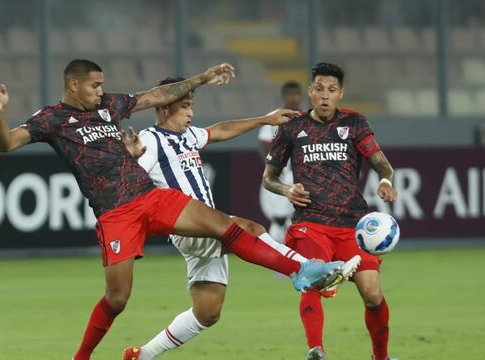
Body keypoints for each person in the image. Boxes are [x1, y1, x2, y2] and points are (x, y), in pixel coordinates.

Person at [0, 59, 351, 360]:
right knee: (117, 297)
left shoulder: (110, 106)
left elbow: (160, 96)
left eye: (102, 85)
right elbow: (6, 144)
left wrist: (205, 78)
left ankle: (300, 271)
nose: (101, 90)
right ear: (74, 85)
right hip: (116, 213)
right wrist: (0, 115)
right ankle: (81, 357)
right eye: (95, 85)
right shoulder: (52, 119)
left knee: (214, 284)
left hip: (150, 198)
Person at [121, 76, 361, 360]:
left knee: (207, 311)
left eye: (191, 106)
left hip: (208, 226)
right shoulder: (151, 139)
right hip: (187, 227)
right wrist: (130, 157)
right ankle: (304, 270)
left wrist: (264, 120)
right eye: (185, 106)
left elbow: (220, 130)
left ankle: (142, 355)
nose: (191, 113)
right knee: (249, 227)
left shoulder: (187, 135)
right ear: (163, 107)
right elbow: (128, 181)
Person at [262, 63, 398, 360]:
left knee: (373, 295)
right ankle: (316, 350)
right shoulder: (291, 127)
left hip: (353, 225)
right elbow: (268, 178)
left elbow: (381, 163)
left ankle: (381, 357)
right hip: (311, 222)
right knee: (310, 278)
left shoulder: (355, 122)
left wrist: (386, 180)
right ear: (310, 91)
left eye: (332, 90)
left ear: (340, 94)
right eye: (320, 89)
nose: (325, 96)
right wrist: (286, 189)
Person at [257, 81, 302, 245]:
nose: (293, 98)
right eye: (289, 94)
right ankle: (277, 256)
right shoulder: (274, 117)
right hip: (282, 174)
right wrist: (275, 167)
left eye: (296, 94)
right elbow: (263, 143)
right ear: (283, 96)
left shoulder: (305, 118)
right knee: (279, 219)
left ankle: (294, 259)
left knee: (294, 219)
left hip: (300, 175)